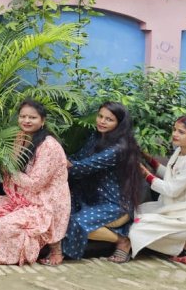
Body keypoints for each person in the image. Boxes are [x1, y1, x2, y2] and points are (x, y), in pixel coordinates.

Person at [0, 99, 71, 265]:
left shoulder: (49, 146)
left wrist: (9, 169)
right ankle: (7, 245)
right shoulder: (20, 137)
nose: (26, 120)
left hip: (45, 203)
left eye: (32, 118)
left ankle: (50, 250)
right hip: (24, 198)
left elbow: (35, 183)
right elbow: (11, 167)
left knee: (6, 225)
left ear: (43, 121)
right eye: (23, 116)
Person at [56, 102, 141, 265]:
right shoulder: (96, 137)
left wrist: (57, 159)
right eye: (100, 116)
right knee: (61, 214)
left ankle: (122, 241)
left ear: (119, 124)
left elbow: (85, 166)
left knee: (76, 222)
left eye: (109, 119)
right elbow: (79, 157)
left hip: (115, 206)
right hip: (91, 200)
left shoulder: (119, 148)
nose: (102, 121)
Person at [127, 116, 186, 269]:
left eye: (181, 132)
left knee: (136, 229)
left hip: (185, 216)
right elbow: (171, 174)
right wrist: (148, 158)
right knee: (134, 214)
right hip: (172, 208)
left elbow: (171, 189)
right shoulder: (181, 151)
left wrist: (144, 173)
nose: (175, 134)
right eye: (175, 130)